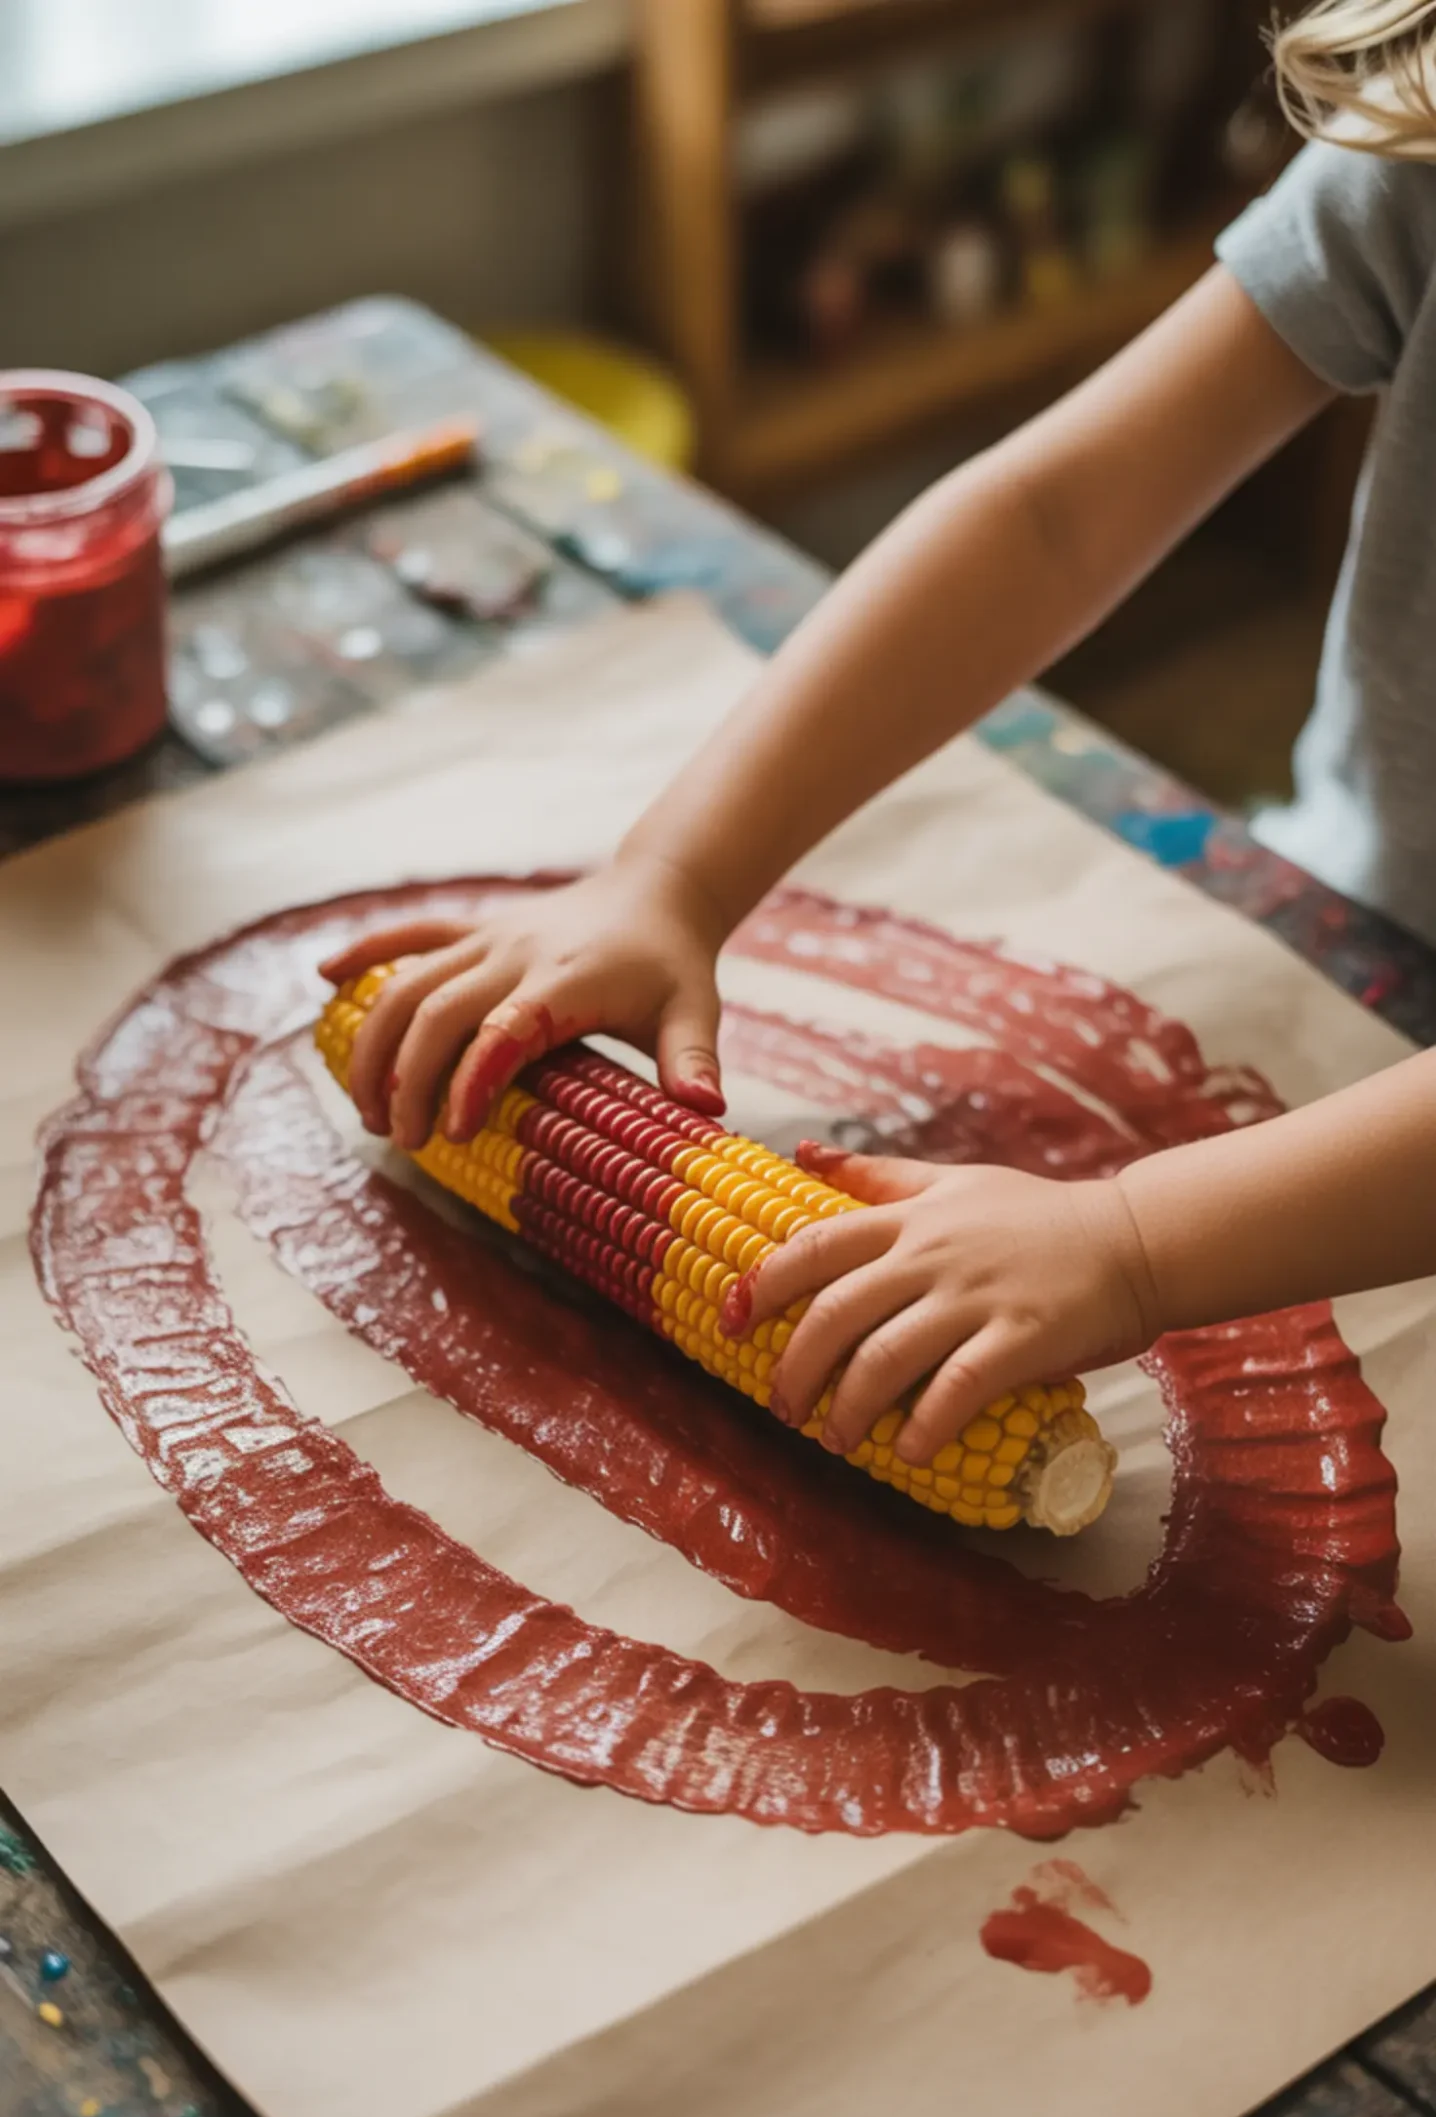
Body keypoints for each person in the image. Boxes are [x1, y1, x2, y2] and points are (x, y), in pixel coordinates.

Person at [322, 0, 1436, 1475]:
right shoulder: (1417, 155)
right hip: (1356, 924)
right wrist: (674, 874)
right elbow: (1052, 517)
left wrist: (1133, 1244)